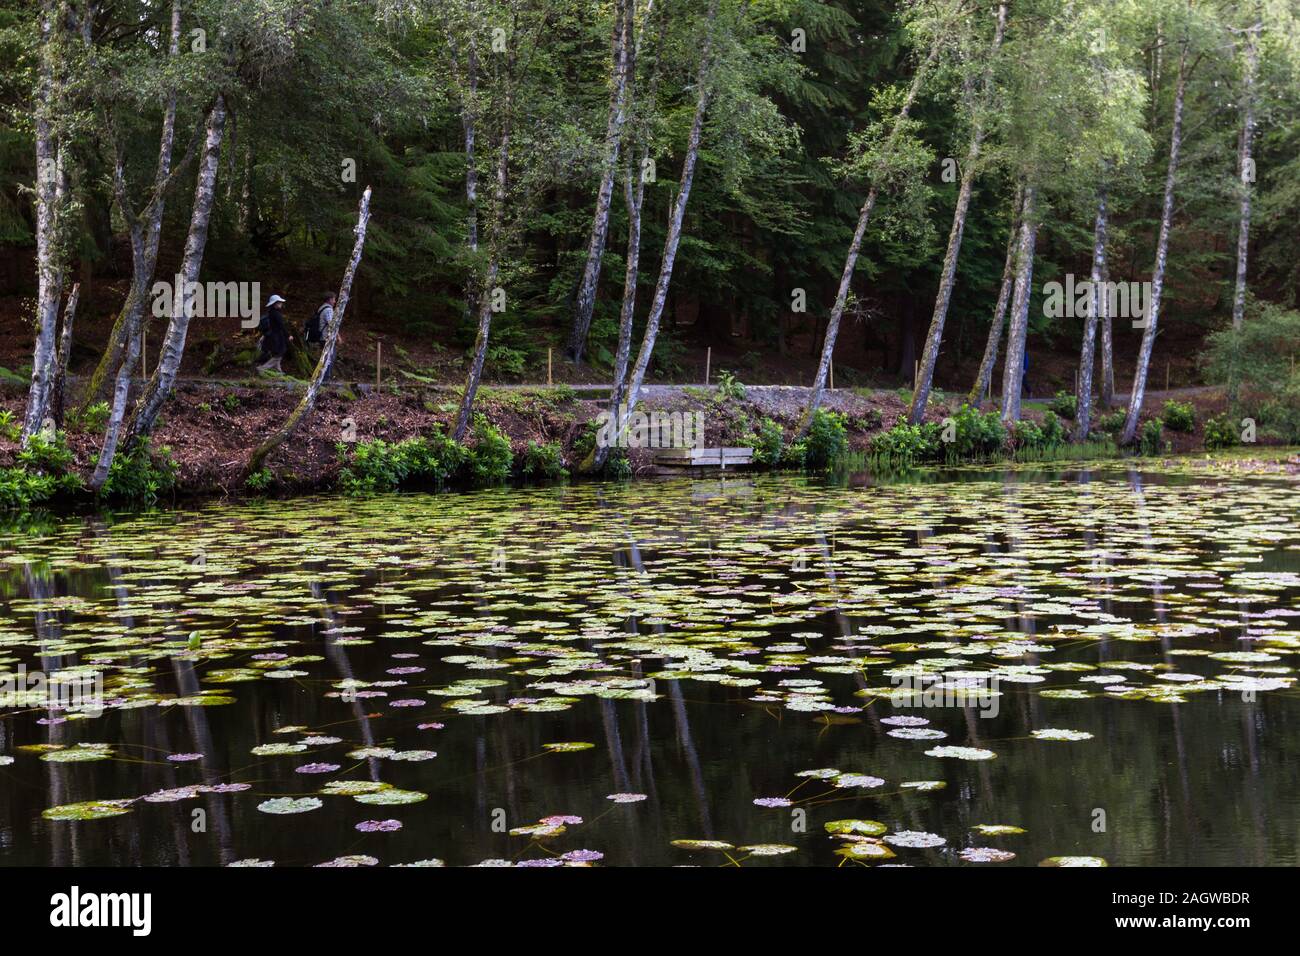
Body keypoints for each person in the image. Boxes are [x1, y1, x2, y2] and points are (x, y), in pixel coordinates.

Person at [256, 294, 291, 372]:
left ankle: (279, 371)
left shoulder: (271, 312)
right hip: (277, 337)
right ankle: (262, 368)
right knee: (279, 354)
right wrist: (288, 335)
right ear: (275, 304)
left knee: (278, 354)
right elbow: (281, 326)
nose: (281, 304)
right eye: (279, 302)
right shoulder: (276, 314)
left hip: (274, 336)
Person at [304, 292, 335, 360]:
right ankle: (325, 370)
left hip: (321, 336)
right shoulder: (328, 310)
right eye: (333, 299)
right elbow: (331, 324)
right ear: (329, 300)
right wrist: (338, 336)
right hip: (326, 337)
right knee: (329, 359)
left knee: (325, 357)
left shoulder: (321, 307)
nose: (334, 301)